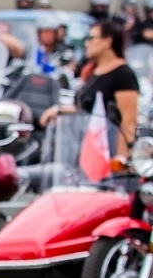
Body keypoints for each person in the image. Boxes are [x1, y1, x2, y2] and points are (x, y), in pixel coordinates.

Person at [41, 19, 138, 168]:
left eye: (91, 38)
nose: (87, 43)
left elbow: (128, 122)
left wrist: (119, 161)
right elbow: (84, 109)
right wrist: (57, 111)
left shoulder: (123, 74)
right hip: (84, 149)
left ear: (107, 42)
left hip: (106, 151)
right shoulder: (95, 72)